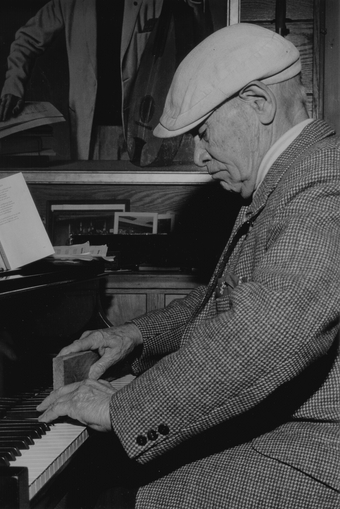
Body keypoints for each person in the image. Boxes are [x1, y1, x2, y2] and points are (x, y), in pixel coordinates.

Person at [37, 23, 340, 508]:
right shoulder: (294, 176)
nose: (199, 156)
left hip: (317, 450)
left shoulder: (324, 180)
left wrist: (122, 407)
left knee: (115, 493)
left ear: (259, 102)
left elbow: (266, 328)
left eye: (202, 132)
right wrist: (134, 335)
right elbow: (226, 296)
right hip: (288, 427)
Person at [0, 0, 218, 161]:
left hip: (144, 132)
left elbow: (205, 42)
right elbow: (26, 40)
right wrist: (13, 87)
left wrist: (196, 5)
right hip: (88, 132)